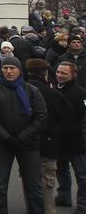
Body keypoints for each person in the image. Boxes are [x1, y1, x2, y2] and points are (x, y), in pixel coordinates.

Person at [0, 56, 47, 214]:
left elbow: (41, 117)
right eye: (5, 68)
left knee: (34, 186)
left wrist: (22, 137)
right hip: (2, 143)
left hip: (28, 144)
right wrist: (6, 137)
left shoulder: (32, 90)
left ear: (20, 70)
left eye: (12, 68)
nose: (9, 71)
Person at [25, 58, 72, 214]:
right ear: (45, 73)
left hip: (26, 143)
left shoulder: (21, 91)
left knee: (30, 182)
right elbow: (66, 119)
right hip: (49, 144)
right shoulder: (52, 94)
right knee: (46, 184)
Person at [55, 60, 86, 210]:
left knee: (82, 175)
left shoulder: (81, 93)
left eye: (63, 73)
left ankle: (83, 204)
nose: (59, 75)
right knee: (61, 171)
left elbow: (83, 118)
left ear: (73, 75)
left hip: (77, 141)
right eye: (58, 72)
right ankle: (63, 196)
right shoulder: (55, 89)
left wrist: (74, 130)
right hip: (59, 140)